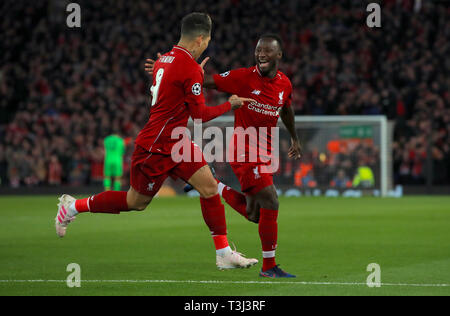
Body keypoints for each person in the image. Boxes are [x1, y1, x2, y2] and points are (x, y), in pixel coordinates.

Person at [55, 12, 258, 270]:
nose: (207, 45)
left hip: (177, 141)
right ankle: (72, 206)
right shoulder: (185, 66)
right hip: (155, 146)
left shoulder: (165, 59)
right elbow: (199, 115)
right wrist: (229, 104)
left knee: (208, 187)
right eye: (207, 41)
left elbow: (174, 86)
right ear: (199, 39)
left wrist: (195, 76)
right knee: (135, 202)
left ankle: (224, 253)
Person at [145, 33, 302, 278]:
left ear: (279, 55)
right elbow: (207, 82)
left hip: (265, 150)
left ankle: (214, 186)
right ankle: (269, 267)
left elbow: (287, 109)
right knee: (271, 200)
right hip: (244, 150)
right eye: (258, 50)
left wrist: (294, 137)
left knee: (255, 215)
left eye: (267, 51)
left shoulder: (285, 84)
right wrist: (187, 71)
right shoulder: (242, 77)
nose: (261, 54)